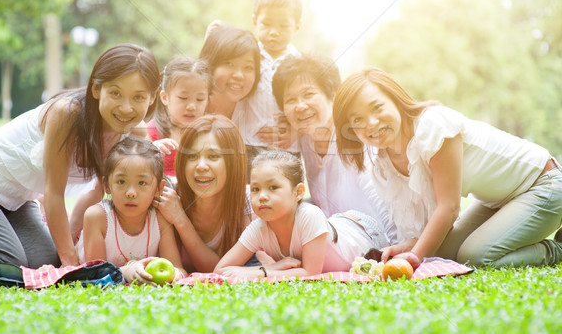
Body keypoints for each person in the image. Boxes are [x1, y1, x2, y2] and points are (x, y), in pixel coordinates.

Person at [0, 43, 161, 278]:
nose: (126, 107)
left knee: (44, 260)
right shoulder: (67, 113)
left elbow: (97, 192)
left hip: (17, 200)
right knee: (7, 261)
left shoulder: (134, 134)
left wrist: (72, 245)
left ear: (152, 97)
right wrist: (69, 263)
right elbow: (53, 193)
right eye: (115, 93)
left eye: (138, 97)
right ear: (97, 89)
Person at [332, 67, 562, 268]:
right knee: (442, 253)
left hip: (543, 185)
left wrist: (413, 258)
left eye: (377, 108)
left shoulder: (433, 125)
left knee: (475, 256)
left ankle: (556, 250)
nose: (371, 124)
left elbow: (449, 208)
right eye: (357, 120)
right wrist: (407, 247)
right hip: (497, 202)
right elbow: (428, 224)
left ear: (395, 99)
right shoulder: (383, 163)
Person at [271, 54, 397, 243]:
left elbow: (384, 203)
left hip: (377, 242)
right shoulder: (304, 140)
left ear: (333, 95)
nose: (300, 106)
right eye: (290, 100)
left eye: (309, 94)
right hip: (337, 240)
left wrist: (398, 250)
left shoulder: (353, 137)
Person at [214, 150, 390, 277]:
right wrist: (276, 267)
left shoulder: (309, 216)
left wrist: (266, 271)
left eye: (273, 187)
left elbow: (310, 273)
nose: (262, 197)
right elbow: (220, 270)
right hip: (335, 227)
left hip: (366, 234)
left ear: (298, 192)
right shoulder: (258, 228)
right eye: (255, 189)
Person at [76, 137, 186, 284]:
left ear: (158, 189)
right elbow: (95, 275)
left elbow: (177, 268)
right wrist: (125, 271)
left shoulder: (159, 219)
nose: (131, 193)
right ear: (107, 185)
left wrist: (175, 275)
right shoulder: (98, 217)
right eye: (121, 182)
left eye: (142, 183)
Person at [154, 115, 255, 273]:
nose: (201, 166)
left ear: (233, 163)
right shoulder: (168, 193)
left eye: (213, 156)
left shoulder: (248, 200)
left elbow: (219, 270)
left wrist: (181, 219)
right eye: (192, 156)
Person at [231, 0, 303, 155]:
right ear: (255, 21)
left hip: (287, 149)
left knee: (288, 183)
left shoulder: (300, 63)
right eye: (267, 24)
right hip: (248, 147)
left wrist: (297, 132)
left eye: (283, 26)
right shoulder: (246, 56)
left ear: (297, 26)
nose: (274, 32)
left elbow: (309, 106)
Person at [146, 56, 213, 178]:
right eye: (183, 98)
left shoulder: (208, 133)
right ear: (165, 97)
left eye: (200, 99)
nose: (192, 106)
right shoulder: (150, 132)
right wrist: (150, 151)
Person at [198, 25, 260, 120]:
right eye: (229, 64)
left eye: (248, 67)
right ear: (210, 64)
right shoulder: (188, 107)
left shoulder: (256, 112)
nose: (239, 75)